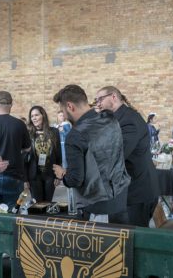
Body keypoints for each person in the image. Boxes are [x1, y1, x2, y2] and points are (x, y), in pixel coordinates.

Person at [52, 84, 131, 224]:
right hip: (121, 199)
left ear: (70, 106)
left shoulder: (75, 135)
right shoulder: (110, 118)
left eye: (62, 110)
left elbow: (75, 179)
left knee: (101, 245)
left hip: (98, 207)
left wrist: (62, 174)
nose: (63, 115)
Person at [95, 86, 159, 227]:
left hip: (136, 191)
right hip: (125, 191)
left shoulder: (128, 120)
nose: (98, 104)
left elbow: (115, 155)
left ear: (113, 97)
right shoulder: (117, 119)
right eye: (96, 100)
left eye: (100, 99)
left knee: (131, 240)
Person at [0, 91, 31, 208]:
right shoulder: (19, 124)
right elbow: (28, 148)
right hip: (14, 175)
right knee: (12, 215)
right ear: (11, 104)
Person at [27, 106, 62, 202]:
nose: (34, 118)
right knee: (37, 204)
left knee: (48, 203)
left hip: (50, 174)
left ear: (43, 116)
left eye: (36, 115)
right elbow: (24, 158)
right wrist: (25, 179)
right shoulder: (28, 133)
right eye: (32, 116)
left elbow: (58, 154)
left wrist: (58, 175)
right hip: (34, 175)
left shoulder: (54, 132)